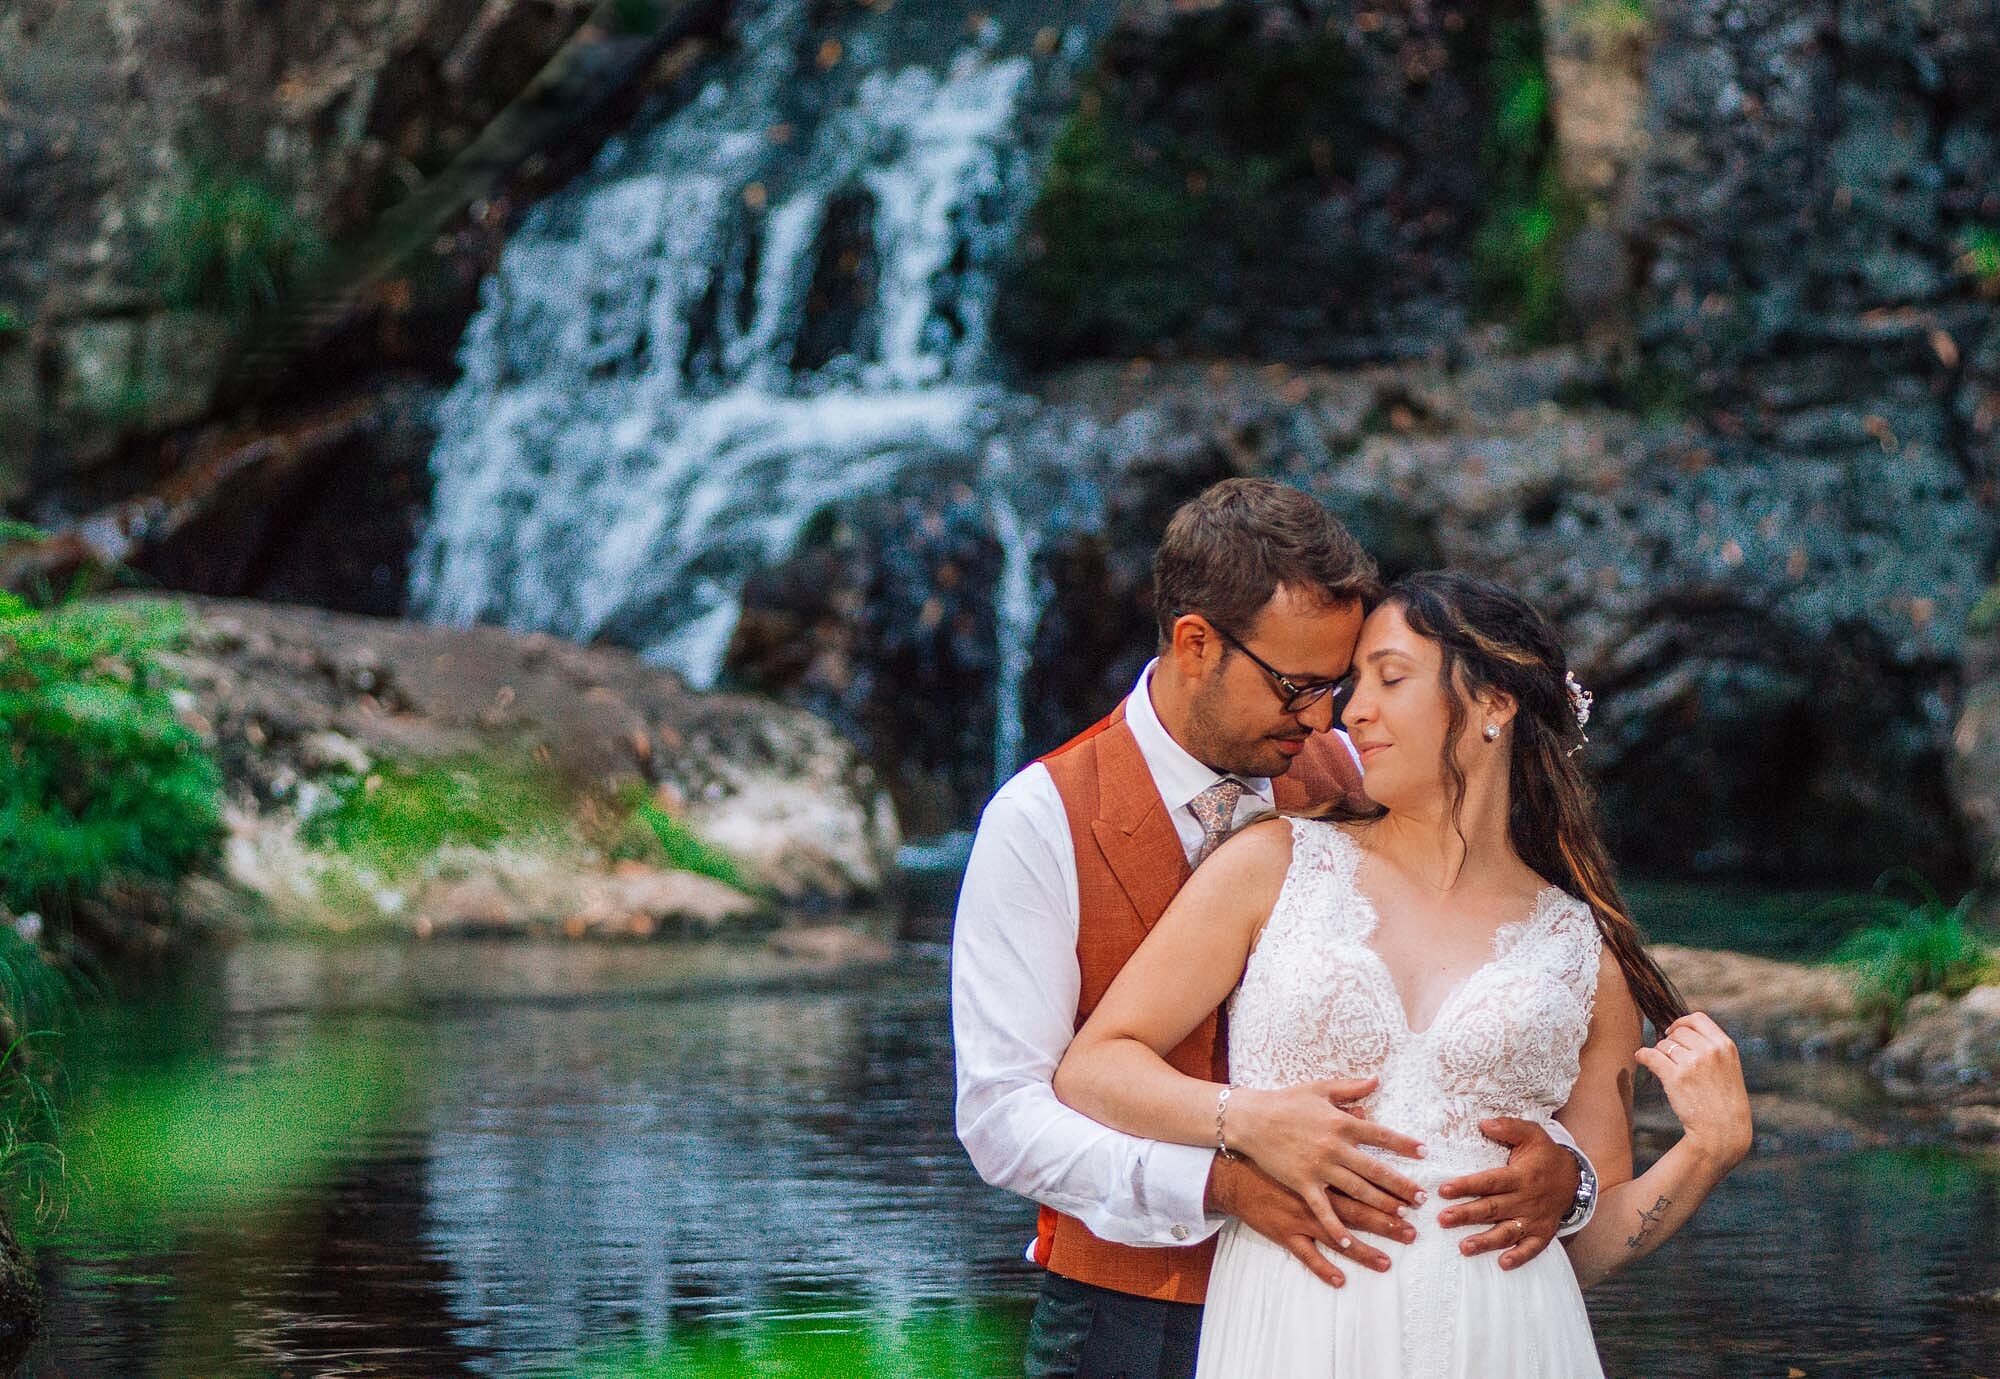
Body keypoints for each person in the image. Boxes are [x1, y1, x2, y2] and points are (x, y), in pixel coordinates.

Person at [953, 482, 1599, 1379]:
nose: (1325, 716)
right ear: (1195, 644)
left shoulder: (1348, 770)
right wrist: (1222, 1173)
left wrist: (1570, 1177)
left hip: (1356, 1313)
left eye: (1339, 685)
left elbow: (1478, 958)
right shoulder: (1038, 821)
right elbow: (1001, 1118)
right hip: (1126, 1312)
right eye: (1298, 687)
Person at [1053, 571, 1755, 1377]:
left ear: (1495, 703)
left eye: (1390, 678)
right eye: (1352, 684)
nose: (1350, 711)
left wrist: (1707, 1151)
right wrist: (1243, 1119)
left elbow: (1585, 1249)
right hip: (1294, 1332)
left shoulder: (1582, 951)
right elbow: (1095, 1065)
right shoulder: (1273, 865)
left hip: (1509, 1342)